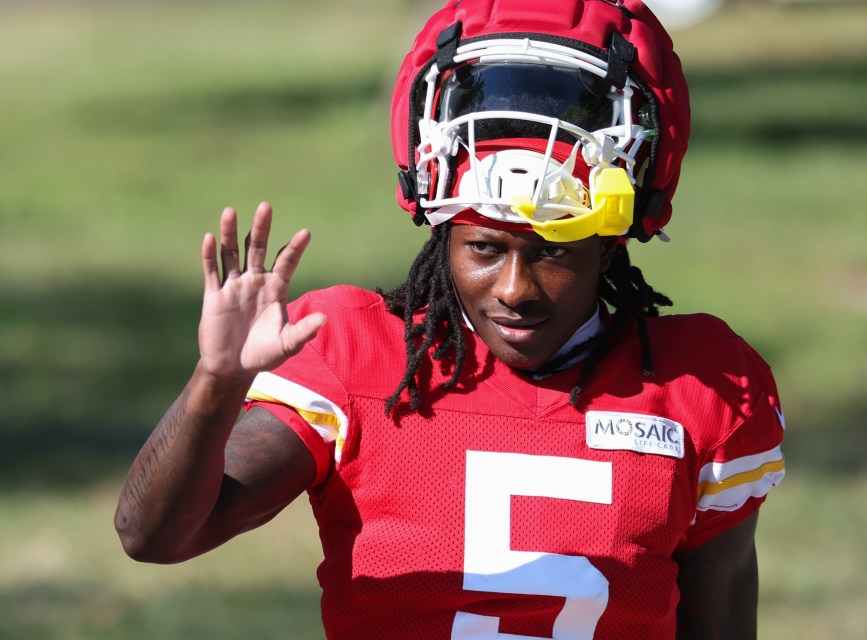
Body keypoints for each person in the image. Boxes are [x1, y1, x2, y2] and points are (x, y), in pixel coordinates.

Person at [115, 0, 786, 638]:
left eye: (555, 252)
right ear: (442, 235)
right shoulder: (356, 356)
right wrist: (216, 381)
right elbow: (154, 537)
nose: (516, 289)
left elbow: (718, 618)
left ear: (611, 245)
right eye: (485, 248)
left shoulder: (698, 388)